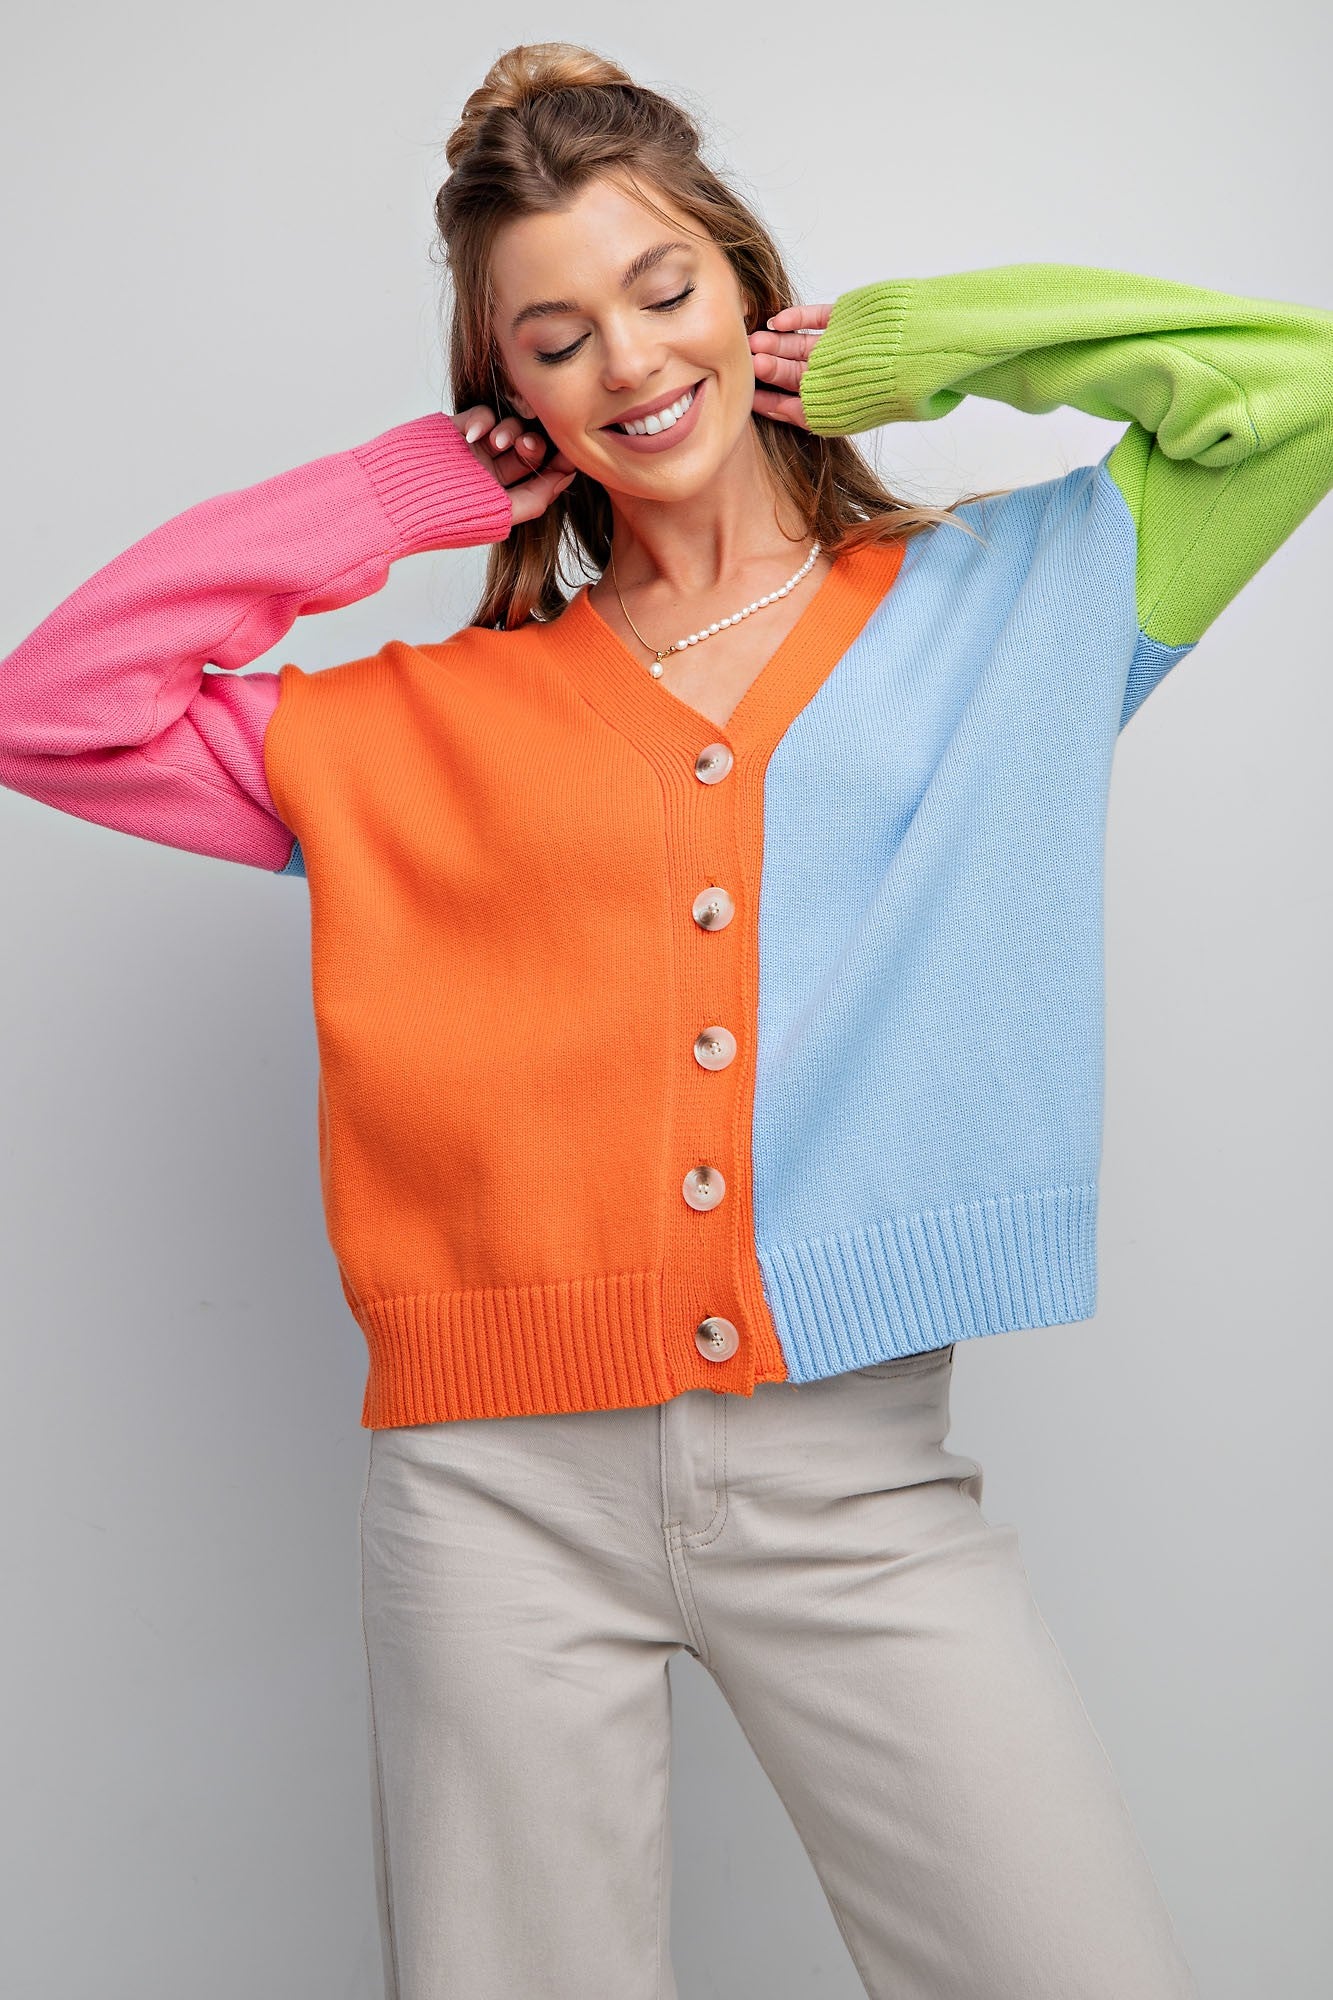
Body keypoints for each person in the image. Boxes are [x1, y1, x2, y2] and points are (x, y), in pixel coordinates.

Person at [3, 35, 1330, 2000]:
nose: (627, 362)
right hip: (491, 1502)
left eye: (661, 289)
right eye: (553, 340)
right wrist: (394, 495)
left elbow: (1296, 389)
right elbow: (54, 708)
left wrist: (927, 349)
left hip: (855, 1480)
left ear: (743, 287)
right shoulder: (423, 725)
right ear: (509, 396)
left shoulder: (1016, 606)